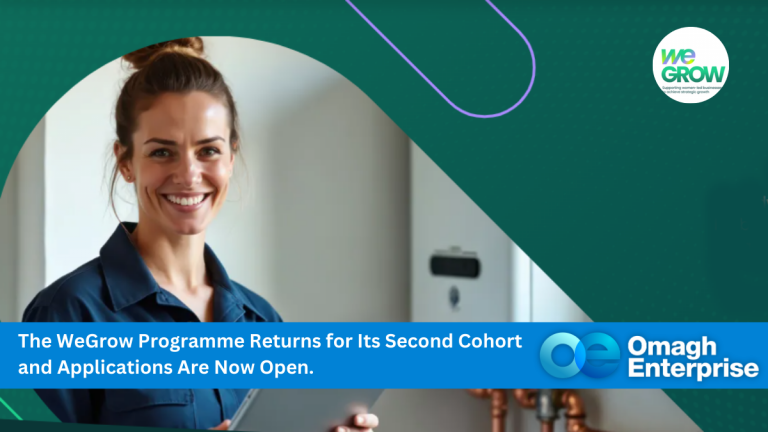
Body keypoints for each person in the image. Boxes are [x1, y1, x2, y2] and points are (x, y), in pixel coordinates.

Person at [22, 37, 379, 432]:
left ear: (231, 157)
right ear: (125, 162)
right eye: (162, 152)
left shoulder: (262, 322)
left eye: (208, 150)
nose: (189, 175)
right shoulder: (66, 315)